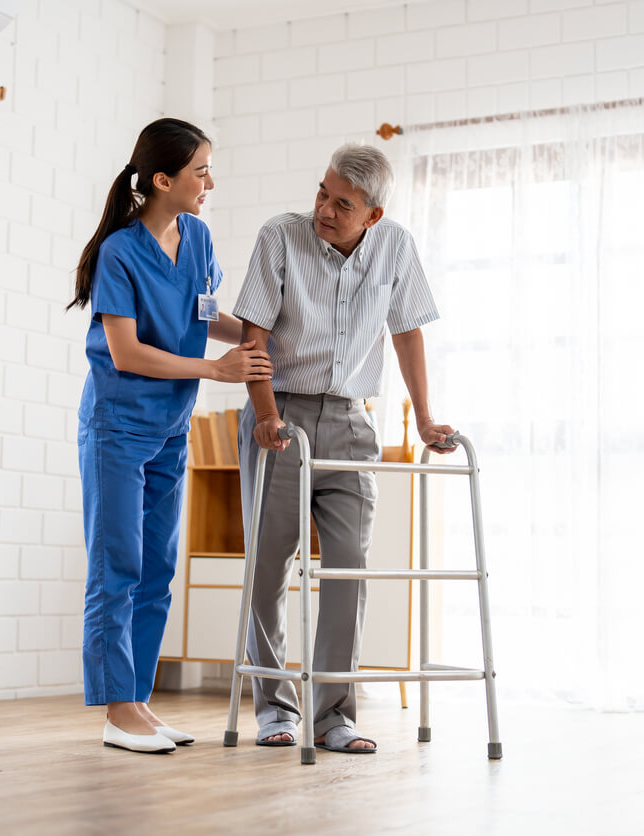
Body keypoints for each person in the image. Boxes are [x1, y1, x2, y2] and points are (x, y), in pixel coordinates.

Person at [234, 143, 454, 754]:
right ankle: (275, 707)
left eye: (342, 204)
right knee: (269, 566)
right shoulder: (281, 236)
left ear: (372, 215)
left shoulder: (396, 246)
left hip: (353, 422)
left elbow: (406, 332)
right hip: (279, 413)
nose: (324, 210)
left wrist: (427, 420)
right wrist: (266, 414)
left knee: (350, 566)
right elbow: (253, 333)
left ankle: (333, 716)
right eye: (322, 193)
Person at [70, 118, 271, 754]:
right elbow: (126, 353)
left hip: (169, 428)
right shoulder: (120, 253)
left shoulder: (199, 236)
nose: (209, 181)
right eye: (200, 170)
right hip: (118, 427)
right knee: (117, 566)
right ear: (163, 179)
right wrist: (215, 369)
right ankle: (116, 710)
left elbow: (200, 311)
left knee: (157, 567)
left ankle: (140, 704)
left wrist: (258, 335)